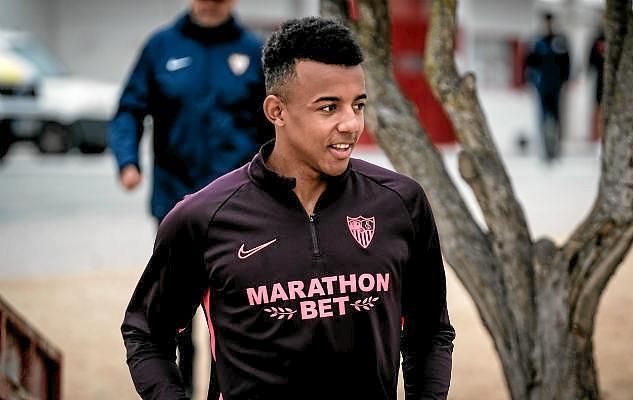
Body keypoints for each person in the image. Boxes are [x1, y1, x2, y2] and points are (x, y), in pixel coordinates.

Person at [121, 16, 455, 400]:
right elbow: (146, 333)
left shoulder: (401, 203)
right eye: (329, 108)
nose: (351, 124)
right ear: (276, 111)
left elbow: (430, 333)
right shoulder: (203, 218)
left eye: (358, 105)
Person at [109, 0, 271, 396]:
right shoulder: (161, 47)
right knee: (175, 318)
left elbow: (275, 123)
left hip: (239, 209)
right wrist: (128, 161)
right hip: (175, 204)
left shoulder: (253, 51)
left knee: (233, 313)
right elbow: (129, 109)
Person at [525, 12, 571, 160]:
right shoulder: (537, 41)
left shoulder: (560, 41)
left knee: (557, 116)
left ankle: (556, 147)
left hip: (556, 85)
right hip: (541, 85)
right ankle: (544, 148)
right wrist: (531, 80)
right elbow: (529, 62)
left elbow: (567, 62)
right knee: (543, 116)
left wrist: (565, 80)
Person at [587, 26, 605, 142]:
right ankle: (596, 134)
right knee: (598, 104)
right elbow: (590, 61)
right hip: (599, 77)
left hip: (612, 78)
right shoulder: (597, 39)